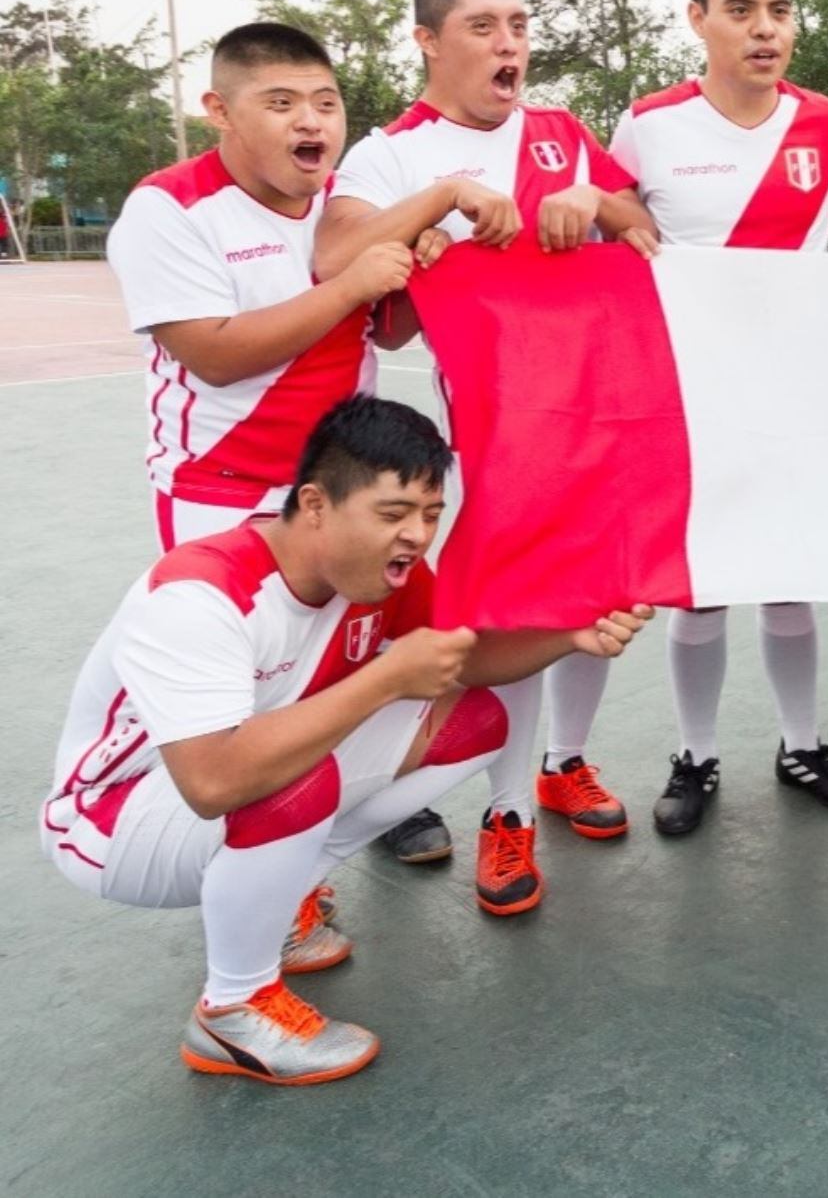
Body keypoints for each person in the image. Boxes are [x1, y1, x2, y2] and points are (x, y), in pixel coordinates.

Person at [40, 396, 652, 1084]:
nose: (417, 535)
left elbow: (466, 662)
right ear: (315, 504)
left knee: (474, 721)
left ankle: (285, 903)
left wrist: (571, 636)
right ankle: (232, 1009)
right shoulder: (203, 593)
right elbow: (213, 782)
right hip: (107, 824)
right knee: (295, 772)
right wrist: (387, 678)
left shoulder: (376, 573)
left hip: (224, 791)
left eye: (430, 514)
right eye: (393, 514)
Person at [314, 0, 654, 905]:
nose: (510, 45)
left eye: (518, 25)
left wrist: (597, 202)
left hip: (579, 433)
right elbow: (347, 270)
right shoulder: (391, 155)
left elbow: (639, 230)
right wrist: (432, 225)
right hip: (473, 440)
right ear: (428, 40)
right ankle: (363, 810)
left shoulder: (558, 134)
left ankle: (512, 816)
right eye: (483, 27)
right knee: (448, 629)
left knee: (546, 615)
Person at [605, 0, 828, 835]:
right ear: (698, 18)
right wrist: (603, 212)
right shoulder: (648, 123)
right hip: (687, 399)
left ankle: (800, 743)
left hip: (794, 394)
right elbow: (615, 216)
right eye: (740, 11)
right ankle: (695, 756)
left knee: (789, 579)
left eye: (778, 10)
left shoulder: (826, 120)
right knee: (700, 587)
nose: (763, 30)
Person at [105, 23, 414, 551]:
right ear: (220, 111)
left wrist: (424, 264)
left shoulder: (351, 205)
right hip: (221, 495)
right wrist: (349, 287)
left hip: (343, 486)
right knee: (232, 635)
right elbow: (216, 356)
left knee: (360, 635)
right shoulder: (168, 206)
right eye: (281, 103)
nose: (311, 122)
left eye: (326, 103)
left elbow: (387, 334)